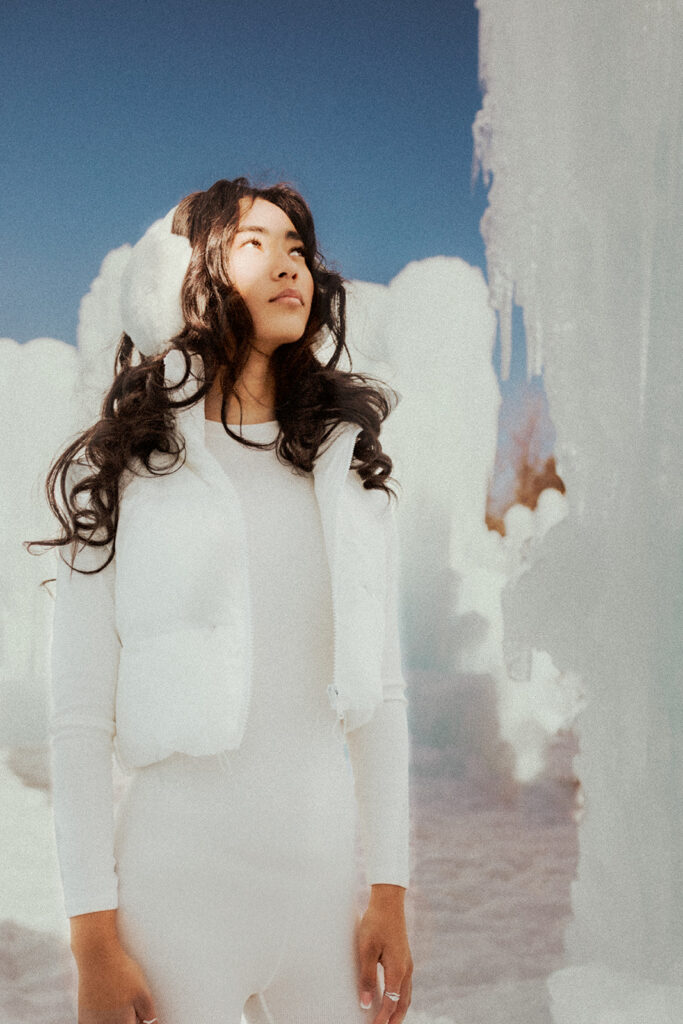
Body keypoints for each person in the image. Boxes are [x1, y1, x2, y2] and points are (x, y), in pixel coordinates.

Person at [27, 177, 412, 1024]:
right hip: (176, 905)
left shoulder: (346, 475)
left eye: (299, 249)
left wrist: (388, 891)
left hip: (318, 902)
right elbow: (81, 722)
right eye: (254, 244)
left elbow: (380, 699)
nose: (289, 266)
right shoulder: (124, 475)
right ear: (189, 276)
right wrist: (93, 943)